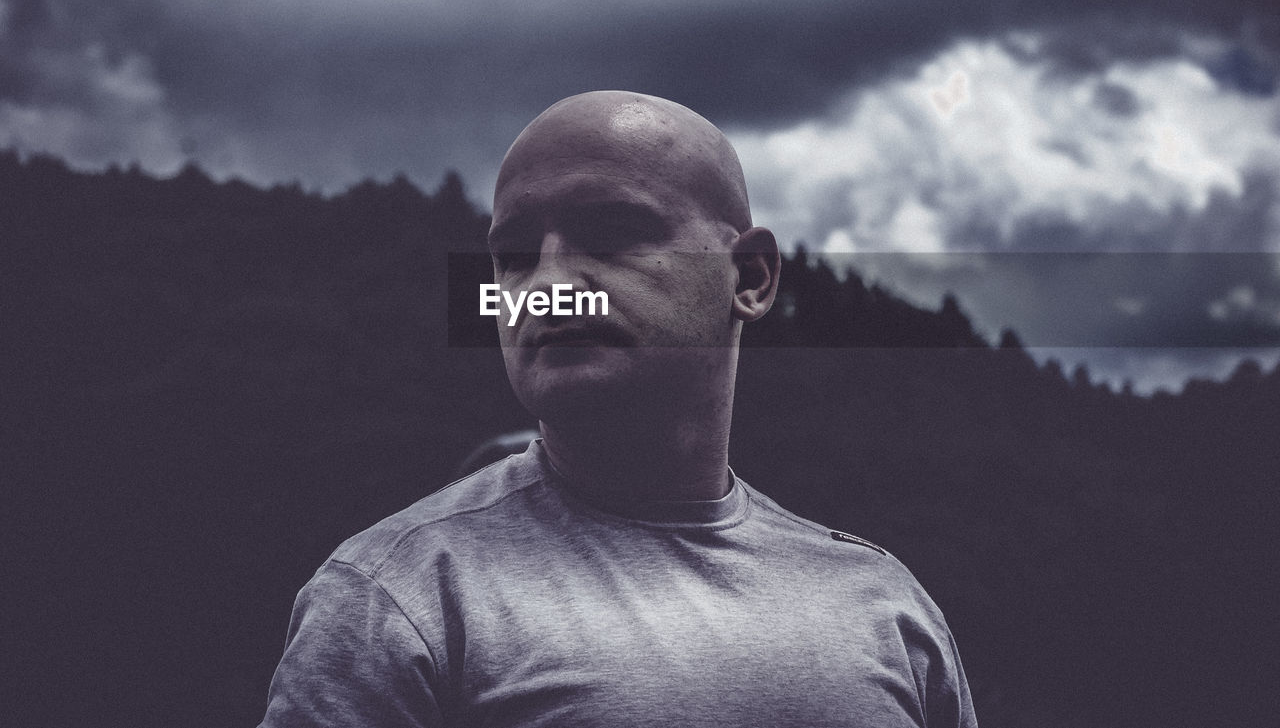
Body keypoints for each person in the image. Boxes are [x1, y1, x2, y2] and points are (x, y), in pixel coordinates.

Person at [259, 91, 978, 727]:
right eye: (512, 255)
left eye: (611, 233)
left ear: (751, 278)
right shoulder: (400, 599)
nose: (549, 284)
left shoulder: (884, 609)